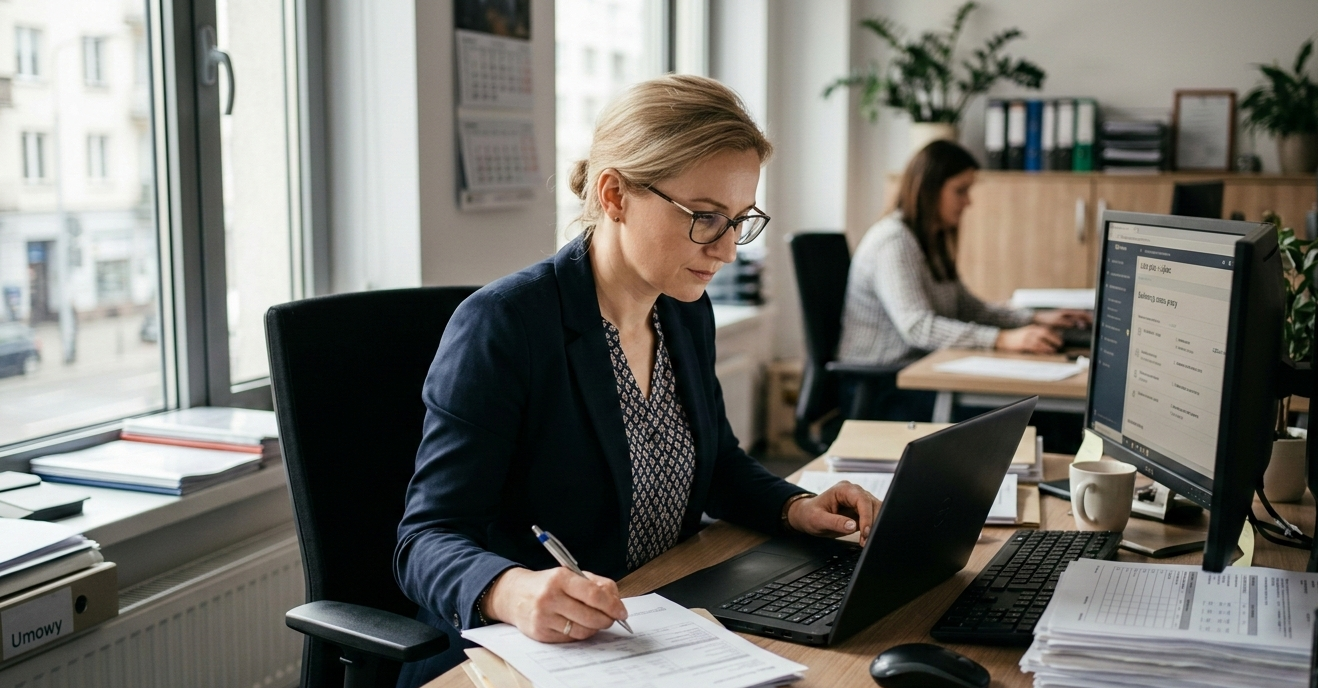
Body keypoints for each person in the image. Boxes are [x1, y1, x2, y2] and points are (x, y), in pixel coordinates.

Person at [393, 74, 883, 686]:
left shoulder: (682, 306)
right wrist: (511, 589)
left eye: (739, 219)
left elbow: (718, 465)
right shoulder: (505, 325)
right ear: (616, 195)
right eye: (705, 217)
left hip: (667, 622)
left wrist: (795, 507)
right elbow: (426, 539)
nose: (727, 249)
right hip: (525, 655)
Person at [836, 140, 1090, 420]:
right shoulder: (894, 241)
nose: (968, 201)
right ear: (928, 189)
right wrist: (1002, 339)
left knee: (1032, 410)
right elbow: (918, 327)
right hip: (884, 388)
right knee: (1031, 414)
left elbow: (968, 308)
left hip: (921, 373)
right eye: (960, 191)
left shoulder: (930, 240)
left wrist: (1033, 319)